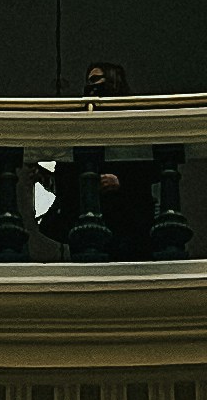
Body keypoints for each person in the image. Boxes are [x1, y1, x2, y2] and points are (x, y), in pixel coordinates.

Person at [42, 61, 157, 258]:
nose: (90, 88)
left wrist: (120, 182)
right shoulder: (79, 128)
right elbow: (66, 176)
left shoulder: (135, 125)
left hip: (128, 225)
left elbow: (149, 172)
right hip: (87, 225)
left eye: (96, 80)